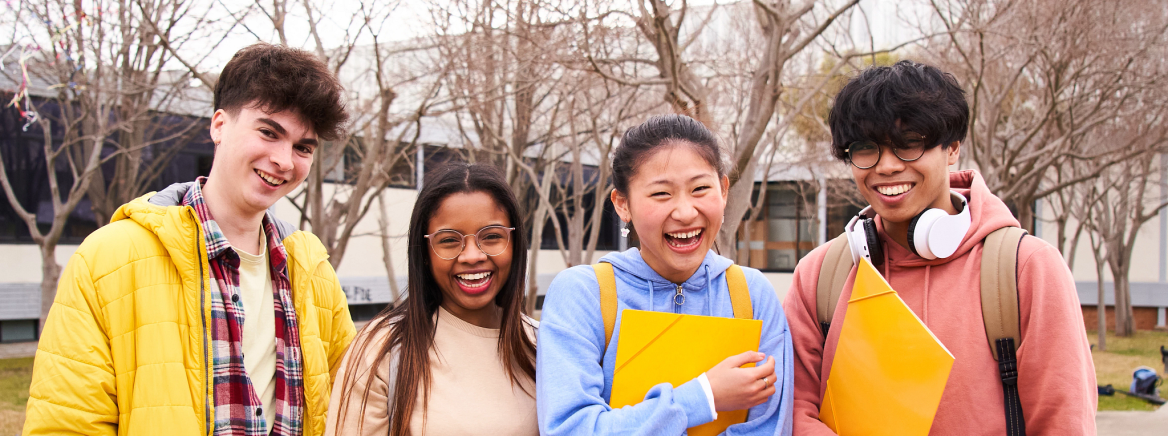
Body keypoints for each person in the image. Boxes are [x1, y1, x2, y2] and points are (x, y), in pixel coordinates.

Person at [23, 43, 355, 436]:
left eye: (303, 147)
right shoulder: (109, 257)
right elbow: (66, 424)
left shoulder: (312, 269)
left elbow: (351, 408)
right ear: (219, 125)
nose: (285, 160)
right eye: (269, 132)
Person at [783, 60, 1096, 434]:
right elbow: (794, 412)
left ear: (952, 149)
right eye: (866, 149)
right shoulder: (820, 276)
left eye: (909, 144)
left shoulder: (1026, 268)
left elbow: (1063, 422)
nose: (886, 166)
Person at [537, 114, 794, 435]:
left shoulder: (752, 293)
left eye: (700, 188)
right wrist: (704, 396)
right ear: (622, 204)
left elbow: (770, 426)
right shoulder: (583, 293)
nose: (685, 213)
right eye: (661, 194)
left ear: (724, 190)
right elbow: (570, 428)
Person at [325, 163, 539, 436]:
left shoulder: (545, 346)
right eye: (449, 240)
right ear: (425, 252)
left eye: (492, 237)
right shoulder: (382, 350)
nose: (472, 255)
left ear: (515, 244)